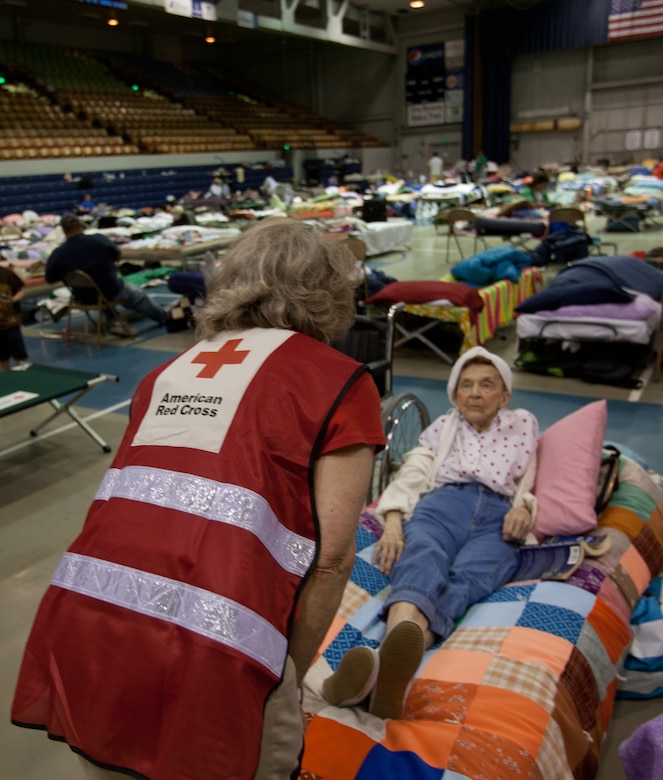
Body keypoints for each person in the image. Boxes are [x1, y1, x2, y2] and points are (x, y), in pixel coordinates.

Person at [11, 218, 387, 780]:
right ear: (330, 290)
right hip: (217, 650)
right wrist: (284, 671)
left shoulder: (164, 374)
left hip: (88, 622)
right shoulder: (337, 382)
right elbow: (331, 560)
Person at [322, 347, 539, 720]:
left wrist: (525, 507)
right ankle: (398, 656)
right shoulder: (443, 429)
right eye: (465, 385)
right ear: (454, 395)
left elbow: (533, 475)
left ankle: (385, 666)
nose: (474, 393)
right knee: (423, 553)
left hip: (499, 515)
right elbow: (414, 473)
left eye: (486, 385)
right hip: (444, 503)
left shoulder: (523, 425)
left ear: (504, 396)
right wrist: (392, 519)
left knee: (472, 576)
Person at [45, 213, 166, 336]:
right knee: (138, 295)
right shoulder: (98, 240)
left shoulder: (58, 254)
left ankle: (114, 321)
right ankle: (165, 317)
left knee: (99, 291)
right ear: (80, 226)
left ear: (64, 230)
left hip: (83, 297)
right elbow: (118, 256)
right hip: (111, 291)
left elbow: (50, 279)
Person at [0, 264, 30, 370]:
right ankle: (6, 373)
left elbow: (21, 290)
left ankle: (20, 368)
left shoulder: (6, 273)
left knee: (18, 350)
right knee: (2, 355)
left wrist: (12, 300)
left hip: (11, 321)